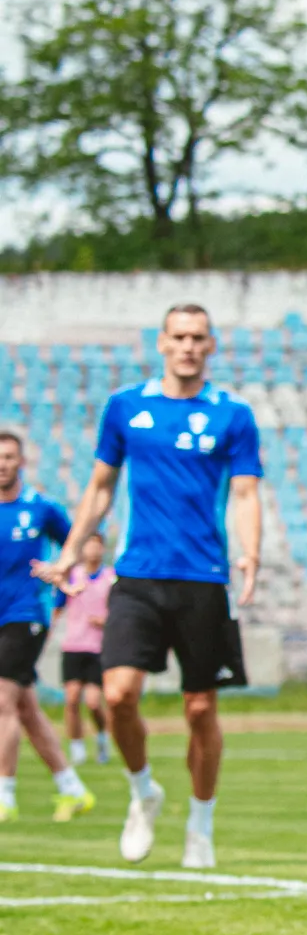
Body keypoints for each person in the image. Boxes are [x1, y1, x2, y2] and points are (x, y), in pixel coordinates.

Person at [37, 304, 262, 870]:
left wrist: (251, 551)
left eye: (198, 337)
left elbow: (245, 493)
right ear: (161, 342)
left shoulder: (232, 414)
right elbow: (100, 488)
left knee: (200, 709)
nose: (188, 346)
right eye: (178, 336)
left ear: (211, 346)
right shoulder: (125, 407)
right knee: (116, 696)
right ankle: (143, 792)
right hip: (137, 576)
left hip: (203, 580)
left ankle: (201, 825)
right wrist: (70, 553)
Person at [0, 432, 91, 823]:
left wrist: (65, 581)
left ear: (21, 462)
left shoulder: (40, 508)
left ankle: (4, 795)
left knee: (1, 701)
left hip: (25, 614)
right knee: (26, 708)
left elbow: (74, 546)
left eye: (9, 456)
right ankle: (73, 789)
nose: (2, 463)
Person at [55, 532, 115, 772]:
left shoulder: (111, 578)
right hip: (73, 645)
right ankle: (77, 747)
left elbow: (120, 611)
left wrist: (106, 621)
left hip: (98, 647)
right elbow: (58, 605)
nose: (92, 550)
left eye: (96, 546)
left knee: (93, 702)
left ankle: (102, 738)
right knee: (71, 699)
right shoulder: (73, 576)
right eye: (88, 545)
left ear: (103, 549)